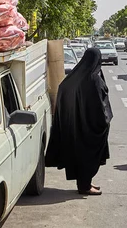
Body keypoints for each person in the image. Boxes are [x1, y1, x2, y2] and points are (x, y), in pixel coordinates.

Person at [45, 47, 112, 195]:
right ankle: (84, 186)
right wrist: (104, 121)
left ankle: (85, 181)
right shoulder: (92, 78)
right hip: (88, 128)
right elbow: (99, 106)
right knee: (88, 154)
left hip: (74, 126)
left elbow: (63, 92)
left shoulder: (74, 77)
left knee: (81, 154)